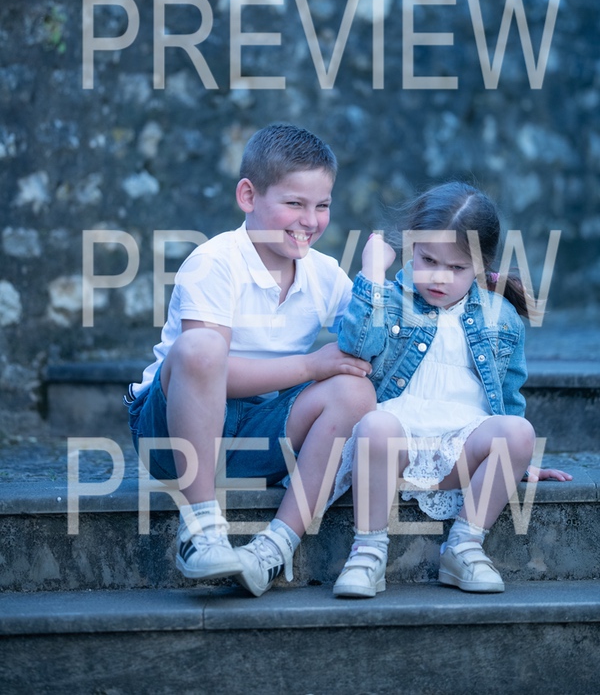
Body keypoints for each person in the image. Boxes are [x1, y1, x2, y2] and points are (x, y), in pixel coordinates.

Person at [126, 123, 375, 597]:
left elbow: (378, 337)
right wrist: (309, 367)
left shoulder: (324, 273)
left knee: (356, 389)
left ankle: (273, 549)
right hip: (172, 436)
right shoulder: (214, 262)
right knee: (201, 347)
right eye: (294, 203)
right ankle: (201, 530)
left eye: (322, 205)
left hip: (258, 436)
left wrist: (377, 278)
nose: (310, 220)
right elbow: (210, 370)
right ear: (248, 196)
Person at [330, 181, 571, 598]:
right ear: (412, 246)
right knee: (374, 425)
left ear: (480, 265)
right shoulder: (389, 299)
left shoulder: (500, 316)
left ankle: (463, 546)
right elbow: (356, 346)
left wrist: (517, 462)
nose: (439, 277)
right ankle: (367, 551)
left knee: (520, 433)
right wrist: (371, 277)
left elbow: (508, 398)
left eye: (457, 268)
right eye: (428, 259)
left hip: (461, 453)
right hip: (393, 451)